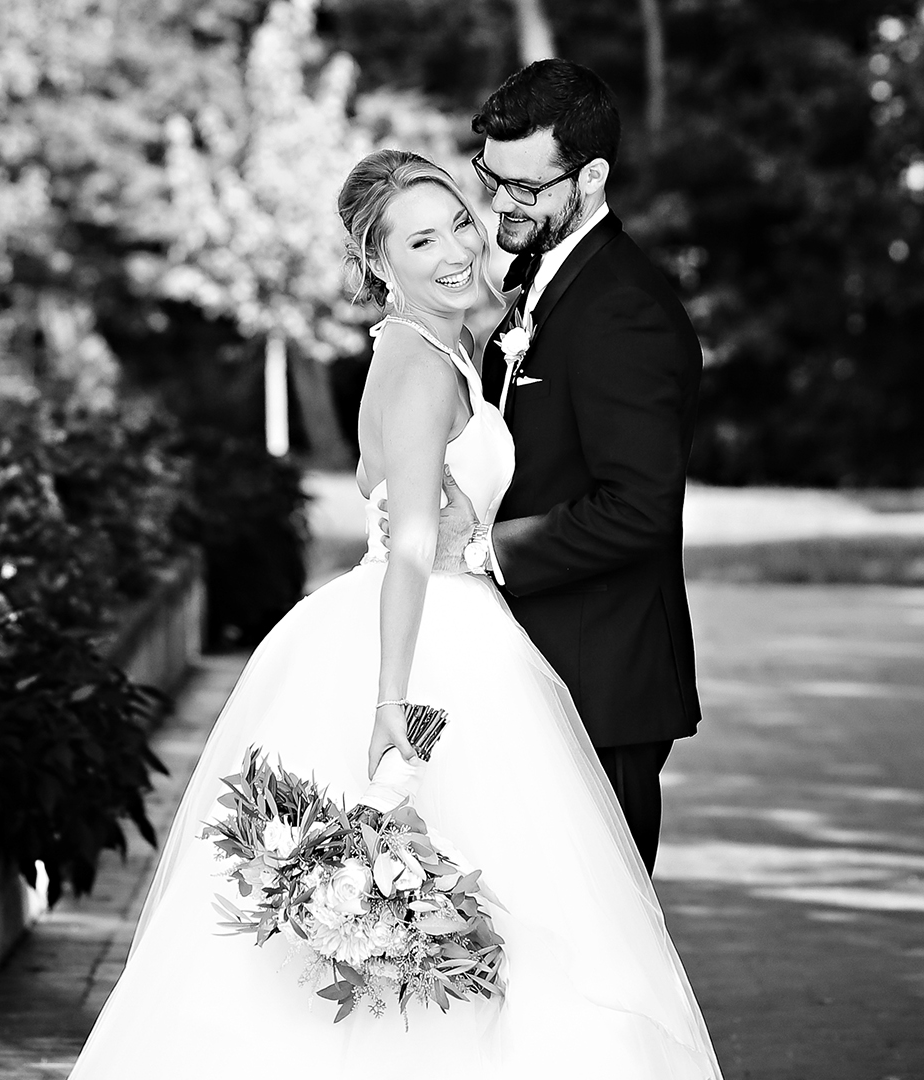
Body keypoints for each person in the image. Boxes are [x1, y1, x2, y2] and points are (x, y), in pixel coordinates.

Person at [67, 149, 719, 1079]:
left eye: (458, 223)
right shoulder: (416, 364)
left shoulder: (436, 344)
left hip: (460, 623)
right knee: (463, 901)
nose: (457, 250)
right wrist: (390, 705)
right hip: (429, 642)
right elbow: (412, 544)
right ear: (378, 263)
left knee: (477, 908)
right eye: (422, 241)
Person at [397, 59, 705, 872]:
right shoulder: (541, 275)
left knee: (600, 926)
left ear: (591, 176)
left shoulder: (623, 309)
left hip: (601, 681)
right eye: (491, 177)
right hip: (540, 672)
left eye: (526, 188)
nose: (500, 203)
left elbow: (638, 507)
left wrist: (478, 548)